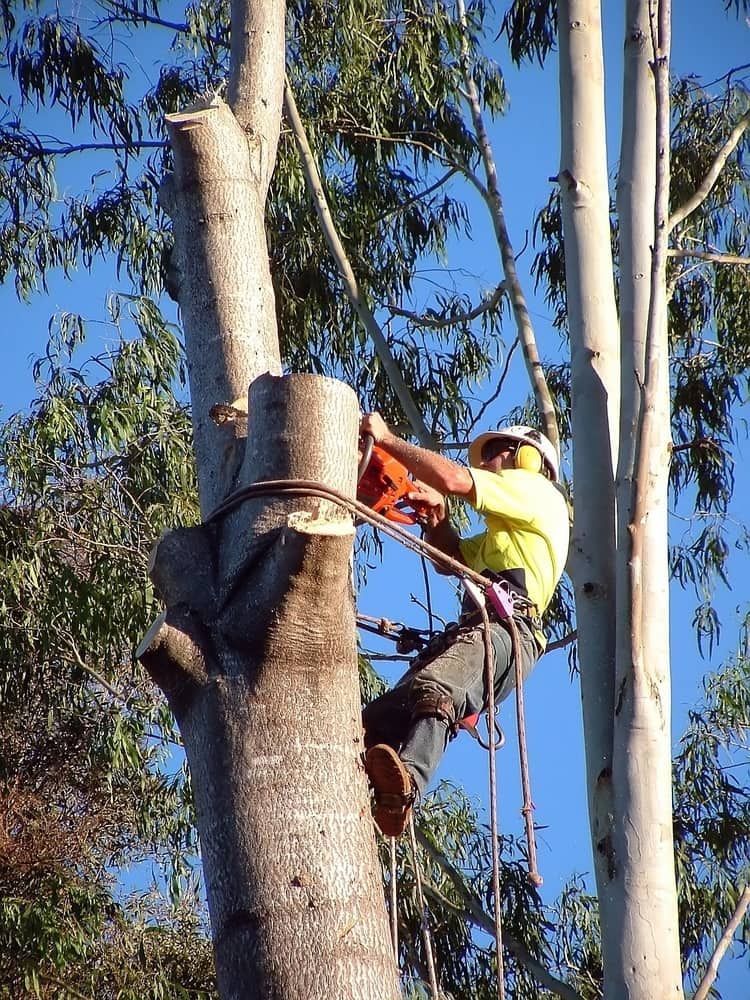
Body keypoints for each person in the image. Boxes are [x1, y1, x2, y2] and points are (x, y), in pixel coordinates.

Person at [360, 412, 570, 837]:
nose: (485, 461)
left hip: (507, 632)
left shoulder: (538, 491)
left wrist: (386, 439)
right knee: (374, 721)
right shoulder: (506, 534)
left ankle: (407, 786)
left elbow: (455, 480)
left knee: (438, 687)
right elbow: (448, 560)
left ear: (527, 458)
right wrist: (437, 521)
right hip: (480, 630)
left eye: (494, 451)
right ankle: (372, 788)